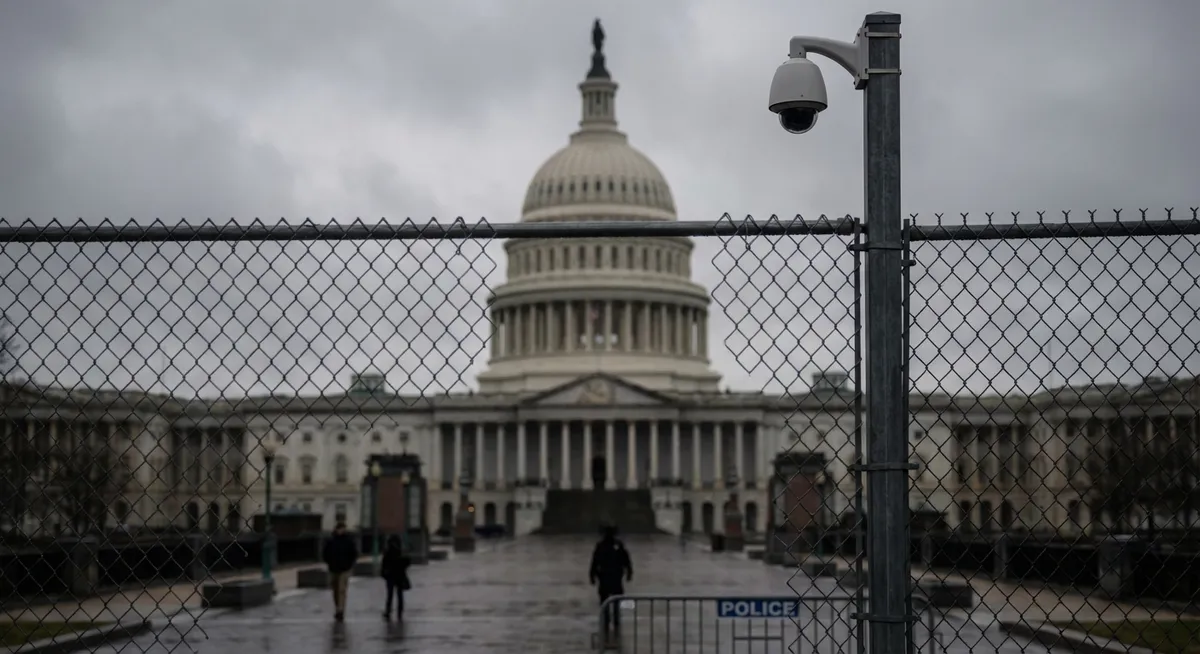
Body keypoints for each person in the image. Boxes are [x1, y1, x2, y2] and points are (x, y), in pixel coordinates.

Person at [589, 525, 633, 645]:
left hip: (611, 579)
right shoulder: (610, 546)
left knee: (610, 603)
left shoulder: (615, 546)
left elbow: (626, 560)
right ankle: (611, 624)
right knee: (610, 603)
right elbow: (595, 562)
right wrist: (629, 573)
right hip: (609, 579)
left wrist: (592, 576)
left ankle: (611, 624)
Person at [322, 521, 359, 622]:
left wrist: (350, 565)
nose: (341, 531)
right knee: (335, 590)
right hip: (333, 568)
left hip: (344, 569)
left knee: (341, 590)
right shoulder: (331, 540)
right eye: (340, 529)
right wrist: (329, 562)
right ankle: (338, 607)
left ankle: (340, 610)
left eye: (342, 529)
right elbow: (325, 553)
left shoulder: (348, 540)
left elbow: (354, 553)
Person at [379, 534, 412, 621]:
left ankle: (388, 611)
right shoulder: (401, 551)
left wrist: (384, 574)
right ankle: (399, 612)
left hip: (390, 576)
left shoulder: (388, 552)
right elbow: (407, 562)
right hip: (400, 575)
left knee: (390, 595)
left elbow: (384, 564)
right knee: (399, 594)